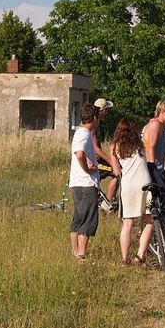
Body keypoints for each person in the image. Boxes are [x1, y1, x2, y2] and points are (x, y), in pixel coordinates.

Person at [109, 118, 154, 266]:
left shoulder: (114, 147)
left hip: (128, 185)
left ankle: (124, 259)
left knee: (127, 223)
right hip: (145, 183)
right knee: (149, 220)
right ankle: (140, 256)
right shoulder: (140, 145)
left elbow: (116, 172)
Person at [69, 103, 101, 261]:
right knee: (87, 220)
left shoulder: (80, 132)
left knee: (78, 218)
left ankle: (76, 252)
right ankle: (81, 254)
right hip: (86, 183)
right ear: (94, 118)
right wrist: (88, 169)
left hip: (78, 182)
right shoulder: (84, 134)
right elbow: (80, 154)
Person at [93, 98, 120, 209]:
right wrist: (110, 161)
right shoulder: (94, 123)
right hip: (95, 161)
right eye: (107, 110)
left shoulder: (96, 122)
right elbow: (96, 149)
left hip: (96, 159)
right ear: (103, 111)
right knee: (117, 173)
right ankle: (107, 204)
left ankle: (104, 200)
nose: (108, 113)